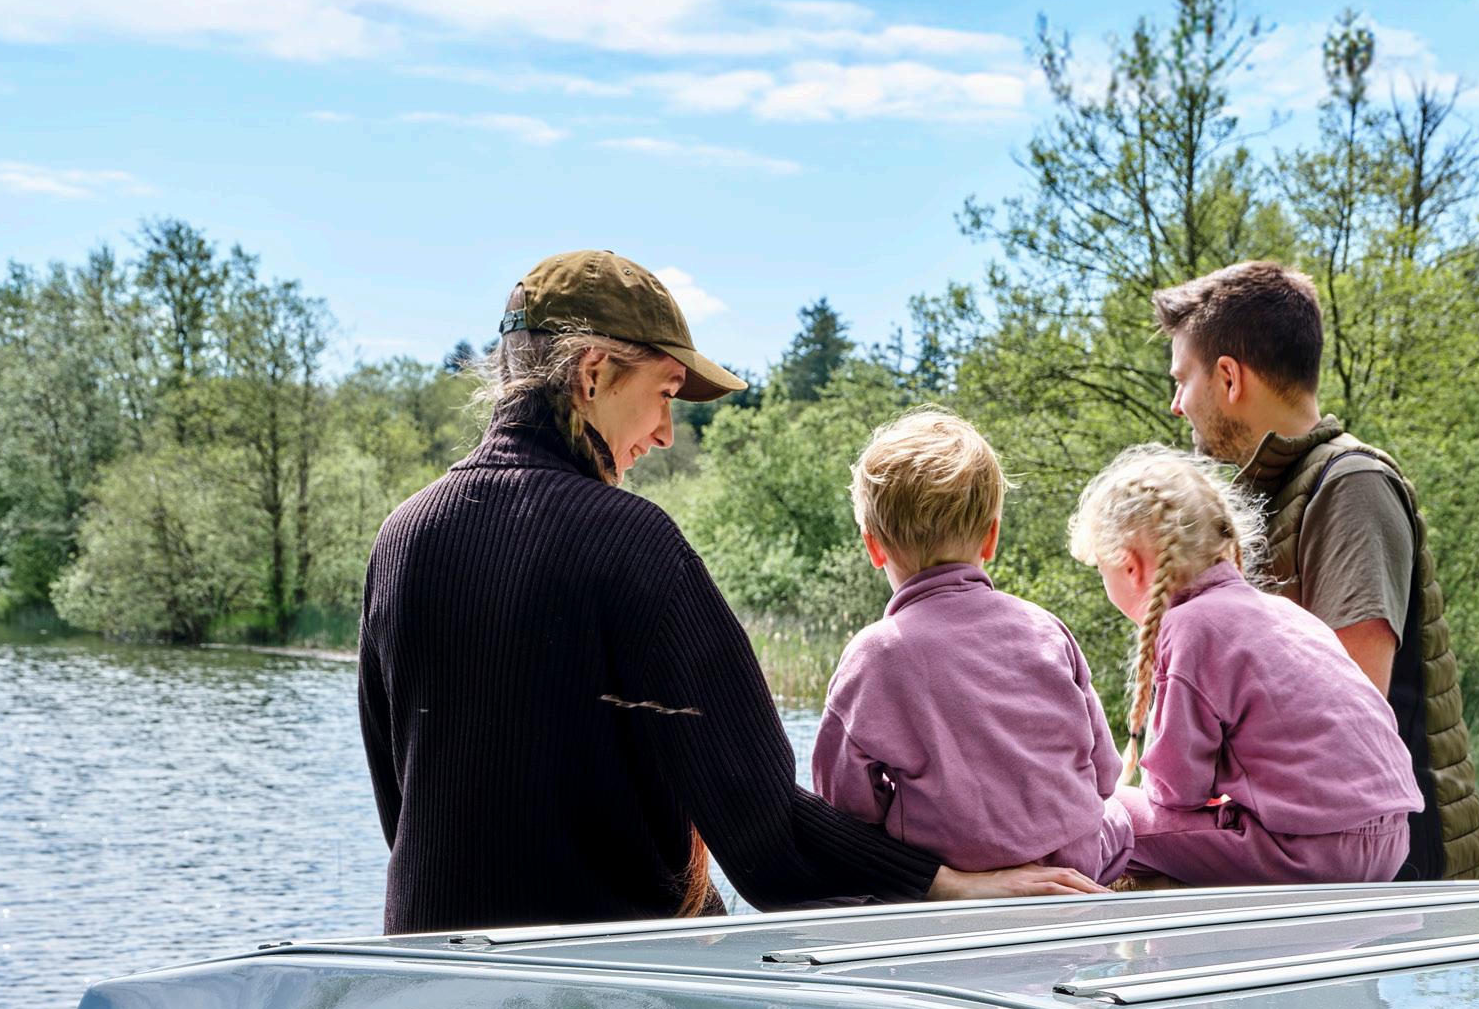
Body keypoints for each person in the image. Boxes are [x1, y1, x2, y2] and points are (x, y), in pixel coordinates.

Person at [357, 251, 1096, 932]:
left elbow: (404, 809)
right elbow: (764, 831)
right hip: (600, 988)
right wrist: (947, 884)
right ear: (593, 374)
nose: (665, 433)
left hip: (426, 974)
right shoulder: (632, 544)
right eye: (664, 394)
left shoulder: (402, 537)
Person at [1152, 259, 1479, 879]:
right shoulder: (1274, 496)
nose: (1177, 405)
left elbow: (1347, 728)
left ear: (1228, 377)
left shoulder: (1350, 486)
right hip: (1336, 867)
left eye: (1181, 380)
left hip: (1396, 878)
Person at [1068, 444, 1419, 887]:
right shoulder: (1285, 613)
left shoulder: (1190, 626)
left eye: (1100, 569)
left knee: (1105, 811)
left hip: (1311, 850)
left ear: (1130, 566)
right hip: (1392, 841)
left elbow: (1176, 790)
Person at [811, 411, 1133, 883]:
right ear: (992, 537)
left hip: (959, 876)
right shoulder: (1046, 629)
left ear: (873, 547)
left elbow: (843, 804)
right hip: (1075, 867)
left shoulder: (875, 655)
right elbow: (1105, 773)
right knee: (1123, 816)